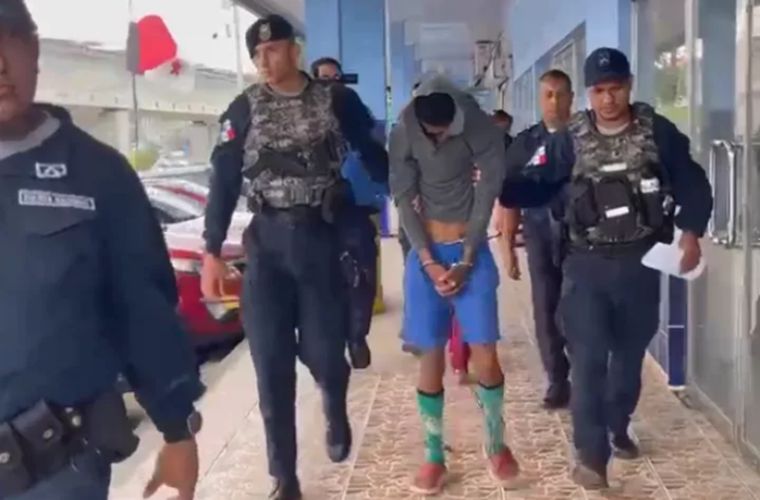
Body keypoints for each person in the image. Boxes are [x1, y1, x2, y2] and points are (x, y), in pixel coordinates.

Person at [0, 2, 204, 500]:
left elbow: (146, 315)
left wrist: (177, 429)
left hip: (53, 471)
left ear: (34, 50)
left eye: (8, 41)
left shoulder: (97, 174)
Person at [501, 48, 712, 489]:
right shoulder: (570, 139)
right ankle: (591, 457)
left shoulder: (657, 131)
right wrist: (498, 182)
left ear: (629, 86)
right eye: (599, 90)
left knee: (628, 359)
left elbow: (692, 181)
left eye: (615, 88)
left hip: (640, 264)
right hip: (586, 265)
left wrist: (691, 231)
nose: (608, 99)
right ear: (589, 93)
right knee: (589, 360)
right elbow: (531, 183)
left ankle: (618, 424)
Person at [201, 15, 387, 500]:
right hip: (267, 249)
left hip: (319, 241)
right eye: (257, 55)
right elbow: (223, 178)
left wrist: (408, 194)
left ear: (294, 50)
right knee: (271, 366)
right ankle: (284, 476)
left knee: (326, 355)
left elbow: (373, 153)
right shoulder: (244, 108)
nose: (264, 61)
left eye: (273, 50)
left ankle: (334, 404)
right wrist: (211, 249)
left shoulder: (334, 100)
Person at [389, 74, 520, 495]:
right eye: (432, 133)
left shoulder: (480, 127)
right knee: (430, 357)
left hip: (471, 249)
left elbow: (486, 196)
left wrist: (466, 259)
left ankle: (495, 444)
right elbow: (404, 199)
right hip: (426, 253)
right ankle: (433, 456)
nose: (439, 139)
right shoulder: (404, 128)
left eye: (446, 131)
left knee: (485, 354)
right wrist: (428, 262)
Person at [498, 69, 574, 410]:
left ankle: (585, 376)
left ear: (571, 98)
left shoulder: (585, 139)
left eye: (560, 94)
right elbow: (510, 197)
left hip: (579, 236)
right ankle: (557, 380)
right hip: (540, 234)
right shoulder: (525, 144)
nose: (554, 102)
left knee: (578, 308)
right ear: (540, 99)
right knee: (545, 308)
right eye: (548, 95)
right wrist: (507, 246)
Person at [311, 55, 387, 369]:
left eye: (336, 78)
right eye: (324, 79)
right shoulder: (303, 124)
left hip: (355, 211)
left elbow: (380, 165)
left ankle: (356, 337)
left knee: (361, 279)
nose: (332, 85)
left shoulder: (360, 120)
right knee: (322, 283)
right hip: (316, 216)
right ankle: (331, 344)